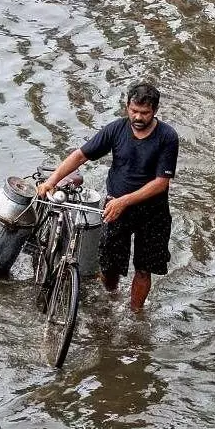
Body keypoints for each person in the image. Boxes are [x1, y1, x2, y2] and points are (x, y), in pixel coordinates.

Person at [36, 82, 179, 312]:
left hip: (152, 211)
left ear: (155, 111)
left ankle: (135, 313)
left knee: (144, 267)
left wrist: (124, 201)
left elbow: (161, 184)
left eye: (144, 113)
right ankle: (111, 299)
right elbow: (80, 156)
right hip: (115, 206)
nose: (138, 117)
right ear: (127, 106)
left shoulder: (167, 137)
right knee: (110, 264)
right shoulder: (116, 130)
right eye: (134, 111)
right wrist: (51, 181)